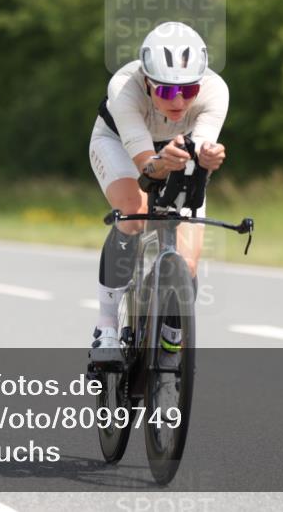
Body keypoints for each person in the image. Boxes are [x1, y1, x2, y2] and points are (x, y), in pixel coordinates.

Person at [88, 22, 228, 364]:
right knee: (133, 214)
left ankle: (170, 338)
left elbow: (202, 149)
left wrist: (208, 157)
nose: (178, 101)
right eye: (165, 92)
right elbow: (146, 169)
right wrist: (162, 162)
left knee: (188, 260)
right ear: (148, 82)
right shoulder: (124, 87)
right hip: (121, 144)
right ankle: (106, 324)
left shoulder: (215, 90)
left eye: (188, 90)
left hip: (178, 150)